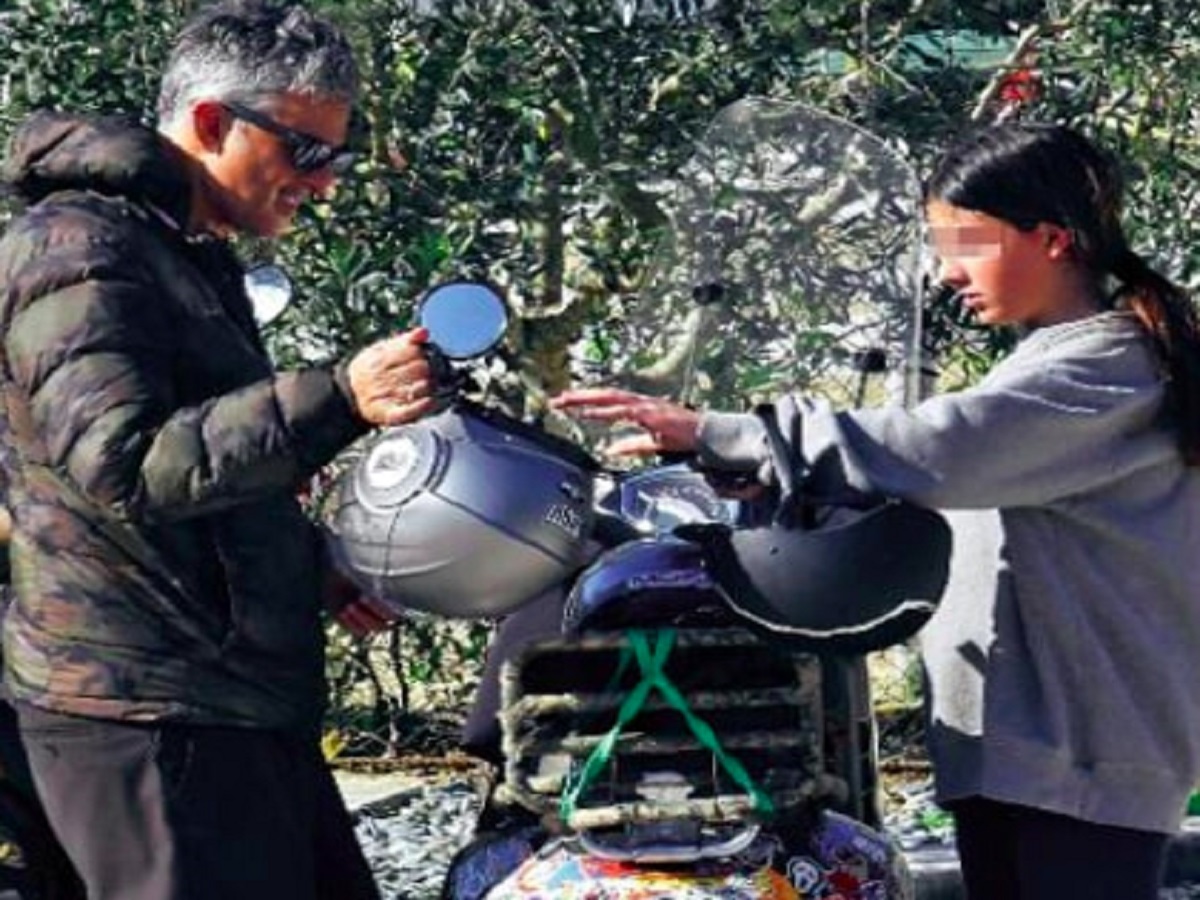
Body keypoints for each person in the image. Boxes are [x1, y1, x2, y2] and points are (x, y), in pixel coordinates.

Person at [551, 122, 1200, 900]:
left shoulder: (1104, 364)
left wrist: (725, 432)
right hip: (1034, 750)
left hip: (1083, 755)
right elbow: (928, 476)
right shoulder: (1051, 362)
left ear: (1053, 238)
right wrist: (775, 478)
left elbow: (939, 451)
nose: (944, 270)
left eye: (965, 243)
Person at [0, 2, 436, 898]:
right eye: (307, 153)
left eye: (337, 159)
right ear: (210, 123)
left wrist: (310, 568)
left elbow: (207, 470)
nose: (324, 185)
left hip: (228, 699)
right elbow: (120, 465)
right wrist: (339, 395)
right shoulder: (75, 246)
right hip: (143, 709)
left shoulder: (183, 251)